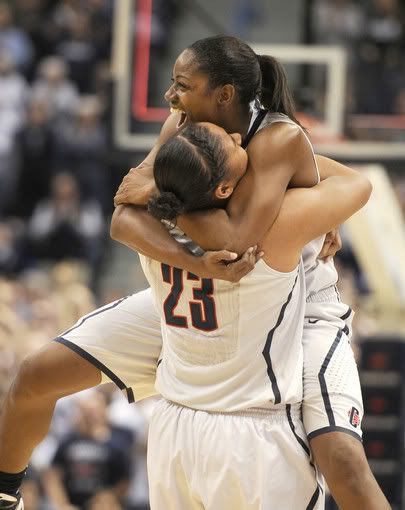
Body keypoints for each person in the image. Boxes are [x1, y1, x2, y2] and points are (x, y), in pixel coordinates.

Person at [0, 35, 388, 510]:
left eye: (182, 85)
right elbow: (124, 213)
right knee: (37, 375)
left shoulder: (278, 138)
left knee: (341, 457)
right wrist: (190, 255)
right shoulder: (184, 124)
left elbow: (233, 239)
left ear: (224, 94)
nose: (170, 97)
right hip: (213, 281)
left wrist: (161, 197)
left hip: (296, 299)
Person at [136, 120, 371, 508]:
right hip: (254, 433)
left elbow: (129, 207)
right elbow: (356, 185)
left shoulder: (146, 225)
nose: (237, 136)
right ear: (227, 189)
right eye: (230, 143)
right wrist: (322, 209)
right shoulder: (273, 231)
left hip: (174, 426)